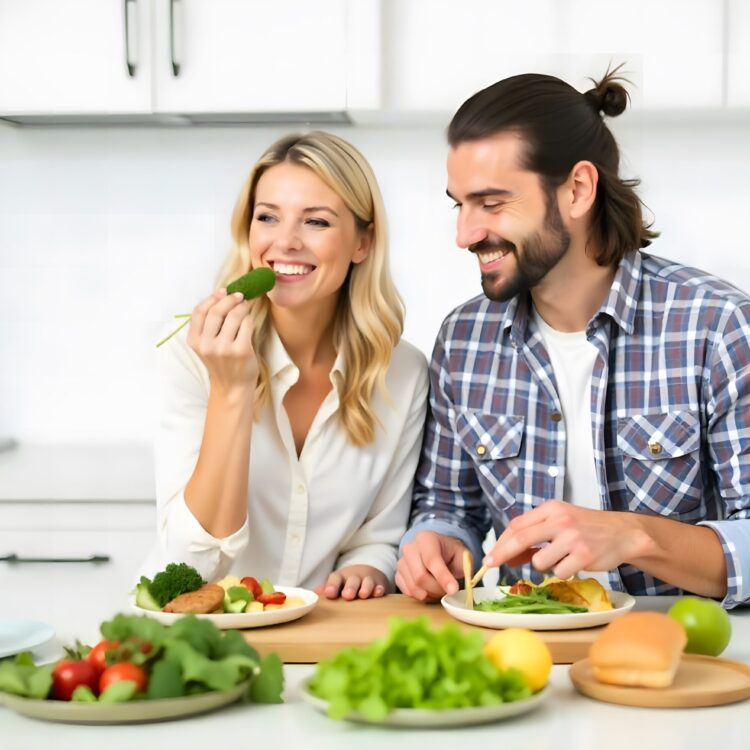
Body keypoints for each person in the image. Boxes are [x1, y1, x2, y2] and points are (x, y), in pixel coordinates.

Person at [397, 69, 750, 609]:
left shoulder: (716, 327)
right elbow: (447, 507)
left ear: (578, 190)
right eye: (459, 204)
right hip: (524, 653)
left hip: (682, 655)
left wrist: (635, 536)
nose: (465, 234)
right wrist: (434, 543)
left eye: (491, 204)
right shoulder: (463, 341)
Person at [151, 131, 428, 600]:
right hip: (197, 633)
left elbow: (379, 535)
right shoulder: (191, 355)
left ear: (363, 241)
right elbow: (189, 562)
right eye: (267, 217)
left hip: (320, 636)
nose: (285, 242)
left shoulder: (402, 372)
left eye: (316, 222)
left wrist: (368, 567)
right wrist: (231, 391)